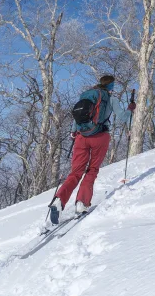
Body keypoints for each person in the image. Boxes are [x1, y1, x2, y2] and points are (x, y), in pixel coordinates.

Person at [49, 74, 135, 224]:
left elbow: (78, 118)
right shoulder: (111, 99)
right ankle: (81, 203)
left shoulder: (87, 96)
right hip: (100, 136)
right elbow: (122, 118)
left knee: (75, 172)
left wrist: (74, 132)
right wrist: (130, 109)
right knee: (92, 170)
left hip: (81, 137)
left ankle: (58, 201)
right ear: (111, 86)